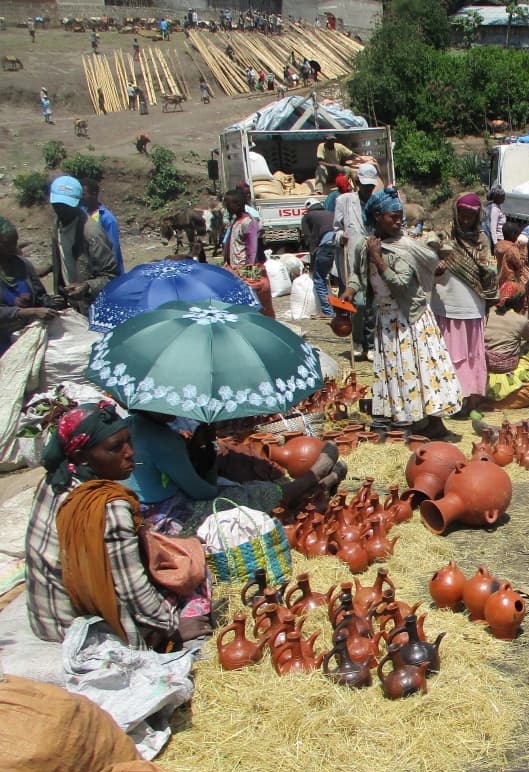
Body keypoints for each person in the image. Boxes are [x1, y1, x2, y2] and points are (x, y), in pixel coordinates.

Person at [26, 403, 205, 651]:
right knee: (189, 580)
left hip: (44, 617)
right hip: (81, 630)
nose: (130, 452)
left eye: (128, 442)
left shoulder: (54, 482)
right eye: (115, 448)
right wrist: (173, 626)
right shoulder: (108, 506)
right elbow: (131, 587)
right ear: (80, 456)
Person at [350, 187, 462, 439]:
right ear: (378, 216)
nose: (400, 220)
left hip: (410, 319)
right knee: (394, 370)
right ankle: (402, 419)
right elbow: (357, 277)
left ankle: (431, 422)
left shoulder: (404, 247)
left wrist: (378, 259)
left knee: (420, 370)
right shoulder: (363, 245)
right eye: (394, 216)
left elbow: (400, 283)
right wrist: (349, 292)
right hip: (386, 320)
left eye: (400, 215)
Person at [124, 412, 345, 533]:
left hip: (144, 508)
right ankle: (312, 481)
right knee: (240, 495)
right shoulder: (163, 439)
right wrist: (208, 457)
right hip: (164, 520)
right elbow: (202, 491)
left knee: (235, 484)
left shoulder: (129, 425)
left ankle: (313, 486)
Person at [430, 193, 497, 419]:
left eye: (471, 216)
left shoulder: (481, 239)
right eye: (463, 215)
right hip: (446, 303)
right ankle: (448, 398)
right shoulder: (442, 235)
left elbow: (488, 269)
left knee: (469, 356)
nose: (466, 220)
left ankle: (467, 399)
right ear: (456, 214)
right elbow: (426, 258)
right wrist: (436, 266)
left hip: (472, 305)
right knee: (448, 354)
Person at [49, 176, 117, 309]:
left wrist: (87, 286)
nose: (61, 210)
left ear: (78, 202)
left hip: (90, 306)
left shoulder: (91, 233)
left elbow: (111, 276)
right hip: (68, 303)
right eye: (57, 205)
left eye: (66, 206)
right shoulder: (57, 223)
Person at [334, 163, 379, 359]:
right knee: (358, 303)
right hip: (353, 257)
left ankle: (371, 343)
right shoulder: (344, 200)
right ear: (357, 182)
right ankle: (358, 341)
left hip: (374, 257)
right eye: (365, 186)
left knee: (374, 304)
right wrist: (340, 236)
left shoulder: (377, 202)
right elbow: (335, 228)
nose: (368, 190)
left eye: (371, 187)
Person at [0, 217, 60, 354]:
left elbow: (40, 296)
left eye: (14, 242)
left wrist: (51, 302)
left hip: (24, 337)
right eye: (7, 244)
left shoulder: (23, 264)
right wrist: (29, 311)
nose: (13, 247)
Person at [483, 282, 529, 410]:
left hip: (485, 362)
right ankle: (498, 403)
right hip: (506, 366)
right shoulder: (520, 320)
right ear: (520, 301)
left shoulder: (487, 313)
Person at [80, 178, 124, 276]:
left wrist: (111, 273)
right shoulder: (82, 214)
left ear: (94, 194)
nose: (81, 198)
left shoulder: (107, 219)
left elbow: (114, 248)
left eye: (84, 194)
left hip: (106, 270)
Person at [301, 197, 336, 316]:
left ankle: (328, 311)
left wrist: (312, 262)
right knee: (342, 278)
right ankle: (344, 309)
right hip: (340, 244)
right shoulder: (331, 213)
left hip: (326, 245)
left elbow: (308, 238)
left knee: (319, 278)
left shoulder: (308, 216)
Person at [494, 219, 529, 293]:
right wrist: (523, 251)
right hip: (510, 280)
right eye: (517, 235)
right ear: (513, 234)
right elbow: (520, 264)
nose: (517, 237)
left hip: (499, 277)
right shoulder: (512, 249)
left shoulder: (498, 245)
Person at [483, 187, 506, 251]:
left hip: (500, 238)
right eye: (503, 196)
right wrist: (495, 243)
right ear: (498, 197)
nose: (504, 198)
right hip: (498, 239)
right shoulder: (494, 209)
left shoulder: (498, 206)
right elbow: (493, 227)